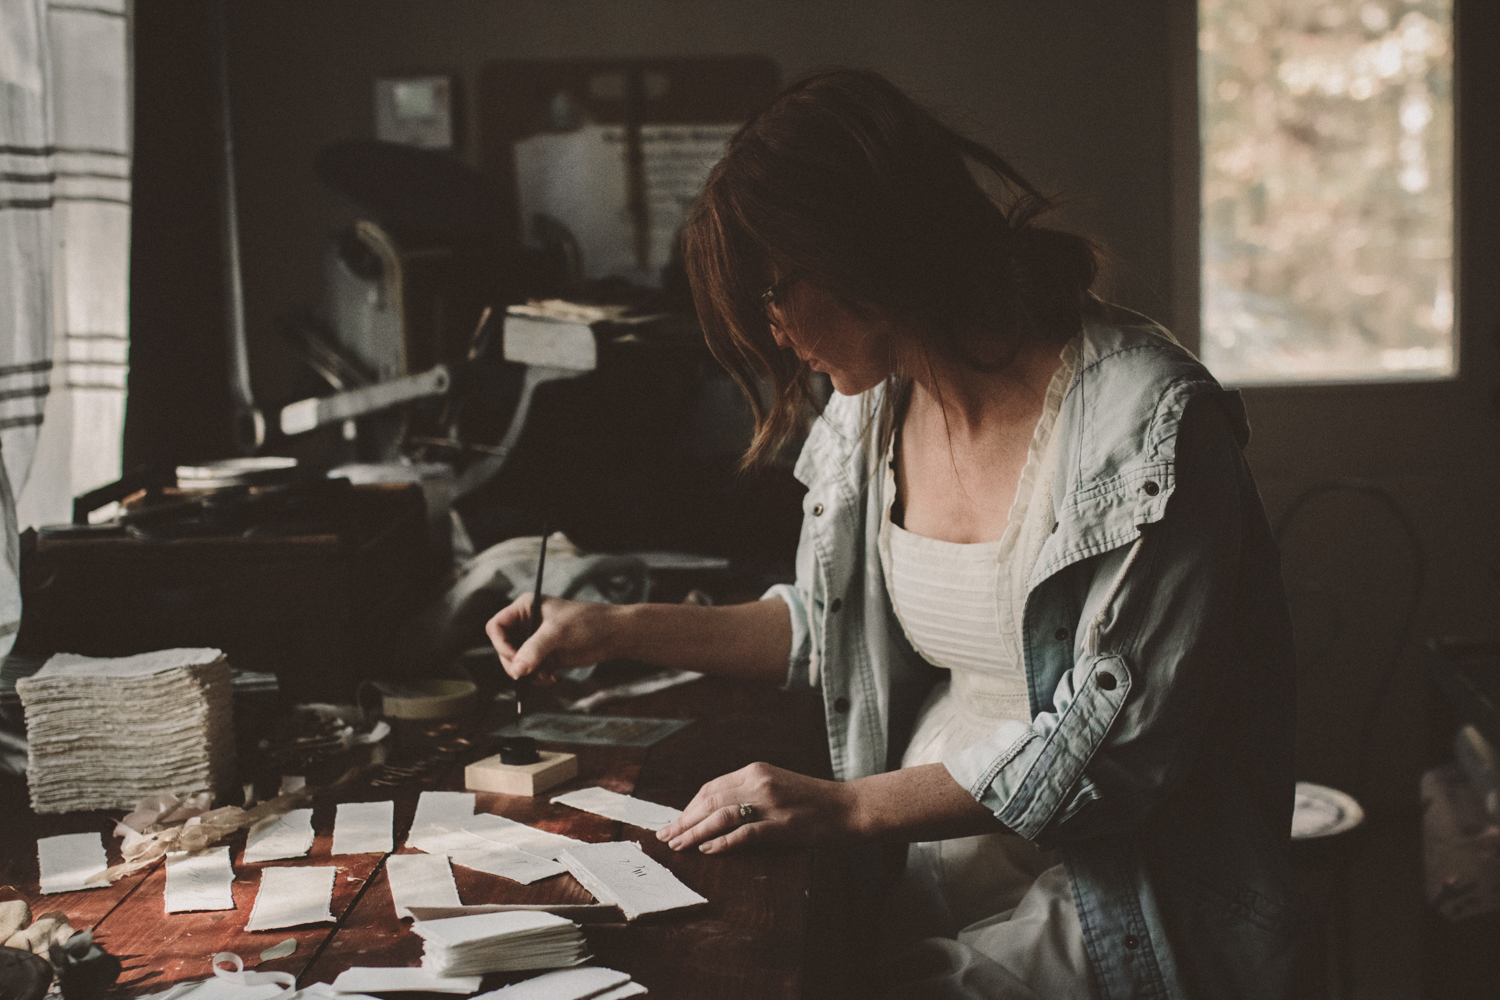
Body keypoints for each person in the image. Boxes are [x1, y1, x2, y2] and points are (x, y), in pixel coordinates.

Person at [487, 69, 1298, 1000]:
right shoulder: (872, 407)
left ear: (857, 250)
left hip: (1118, 890)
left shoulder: (1146, 422)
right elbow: (826, 621)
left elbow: (1110, 753)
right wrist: (613, 631)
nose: (775, 332)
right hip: (929, 853)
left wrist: (846, 806)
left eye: (773, 294)